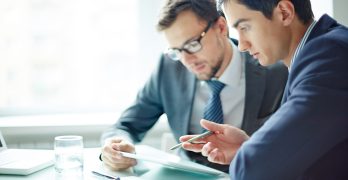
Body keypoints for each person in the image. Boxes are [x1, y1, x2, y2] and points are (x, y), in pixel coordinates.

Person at [100, 0, 288, 173]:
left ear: (221, 27)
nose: (186, 60)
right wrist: (115, 146)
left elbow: (289, 151)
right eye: (177, 51)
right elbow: (126, 125)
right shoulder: (169, 68)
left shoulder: (275, 72)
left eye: (192, 44)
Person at [181, 0, 348, 179]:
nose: (242, 45)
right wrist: (247, 146)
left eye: (244, 27)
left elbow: (252, 167)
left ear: (284, 12)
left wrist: (252, 154)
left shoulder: (329, 58)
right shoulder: (320, 52)